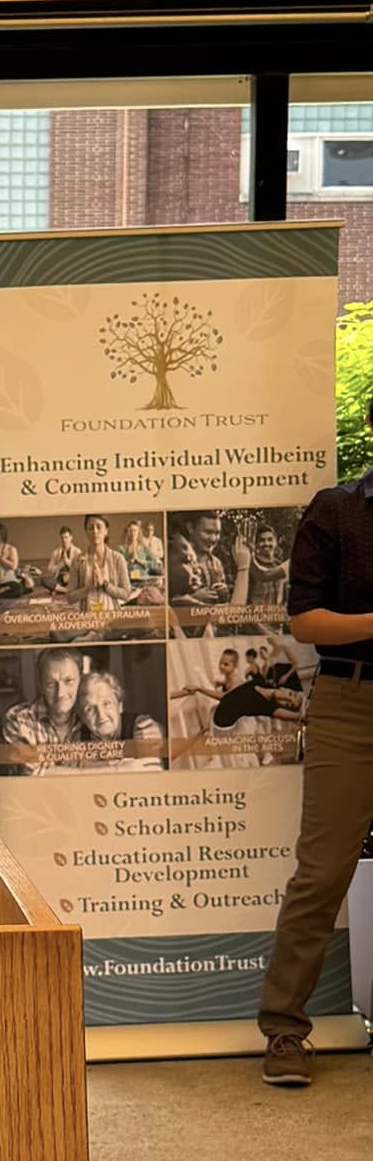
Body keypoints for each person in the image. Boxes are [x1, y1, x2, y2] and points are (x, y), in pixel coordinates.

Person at [259, 414, 373, 1087]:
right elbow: (304, 622)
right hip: (350, 704)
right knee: (323, 872)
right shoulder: (336, 510)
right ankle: (284, 1030)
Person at [0, 646, 84, 764]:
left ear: (81, 680)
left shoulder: (90, 716)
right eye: (51, 684)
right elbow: (33, 771)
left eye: (68, 681)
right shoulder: (19, 719)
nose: (60, 693)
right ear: (41, 685)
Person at [73, 667, 164, 758]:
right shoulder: (79, 738)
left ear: (120, 706)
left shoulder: (137, 725)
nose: (101, 715)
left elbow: (155, 731)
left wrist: (159, 733)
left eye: (107, 703)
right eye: (90, 709)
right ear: (83, 717)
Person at [69, 514, 133, 611]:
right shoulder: (77, 560)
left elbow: (126, 594)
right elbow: (70, 597)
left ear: (106, 530)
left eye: (99, 527)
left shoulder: (118, 559)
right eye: (90, 528)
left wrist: (105, 584)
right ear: (86, 531)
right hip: (87, 617)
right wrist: (88, 588)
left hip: (112, 617)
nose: (95, 531)